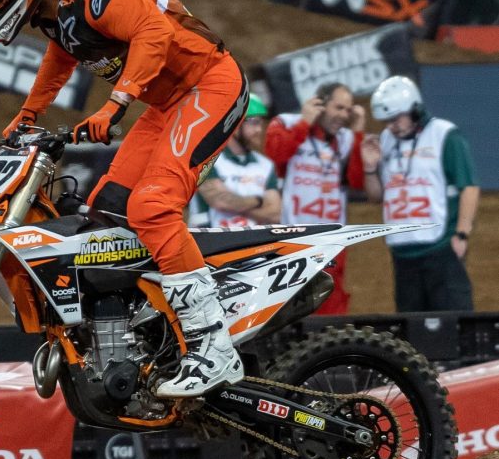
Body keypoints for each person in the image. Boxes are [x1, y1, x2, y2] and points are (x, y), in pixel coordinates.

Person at [0, 0, 250, 398]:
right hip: (167, 102)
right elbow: (63, 52)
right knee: (105, 214)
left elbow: (155, 33)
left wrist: (116, 103)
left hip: (210, 86)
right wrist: (29, 113)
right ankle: (148, 327)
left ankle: (214, 348)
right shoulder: (53, 5)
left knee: (152, 206)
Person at [361, 75, 479, 312]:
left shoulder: (444, 134)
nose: (390, 126)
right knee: (411, 329)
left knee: (452, 323)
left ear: (414, 109)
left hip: (441, 247)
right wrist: (370, 168)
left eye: (395, 119)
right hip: (402, 254)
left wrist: (462, 233)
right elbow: (376, 197)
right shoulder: (385, 141)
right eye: (386, 121)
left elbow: (469, 186)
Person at [264, 82, 366, 314]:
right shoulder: (286, 123)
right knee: (289, 309)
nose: (344, 115)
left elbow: (357, 182)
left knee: (331, 309)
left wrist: (358, 132)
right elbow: (274, 157)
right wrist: (304, 123)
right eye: (338, 108)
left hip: (333, 242)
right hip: (294, 240)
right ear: (319, 104)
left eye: (348, 110)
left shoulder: (347, 138)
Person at [189, 93, 281, 228]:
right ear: (233, 124)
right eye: (254, 122)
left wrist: (236, 204)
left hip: (256, 238)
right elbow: (220, 201)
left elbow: (275, 213)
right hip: (211, 238)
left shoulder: (265, 164)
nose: (259, 129)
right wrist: (260, 201)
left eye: (261, 123)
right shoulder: (208, 158)